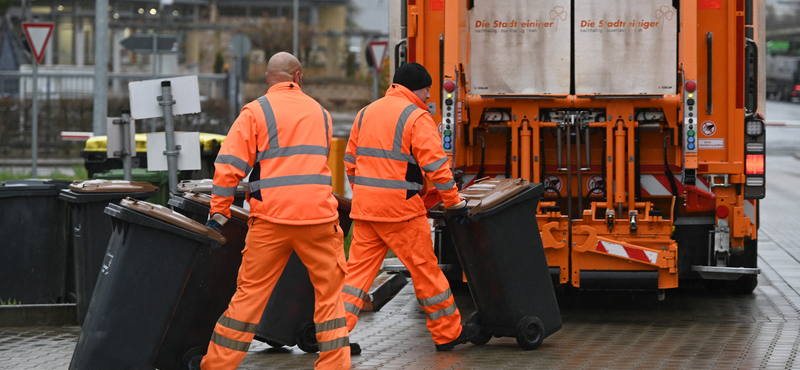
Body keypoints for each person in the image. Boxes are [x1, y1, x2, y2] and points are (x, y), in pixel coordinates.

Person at [190, 52, 351, 370]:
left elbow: (228, 166)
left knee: (249, 296)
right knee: (330, 296)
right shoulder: (321, 113)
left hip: (271, 220)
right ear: (299, 76)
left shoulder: (255, 111)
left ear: (268, 79)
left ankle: (217, 365)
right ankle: (334, 365)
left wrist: (219, 212)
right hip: (319, 219)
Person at [341, 62, 478, 352]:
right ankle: (447, 333)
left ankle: (332, 336)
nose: (429, 95)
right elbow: (437, 167)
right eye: (428, 89)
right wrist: (454, 203)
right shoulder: (416, 117)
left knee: (355, 277)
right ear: (417, 87)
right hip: (401, 212)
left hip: (366, 211)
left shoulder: (366, 112)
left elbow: (350, 163)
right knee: (425, 271)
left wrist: (366, 194)